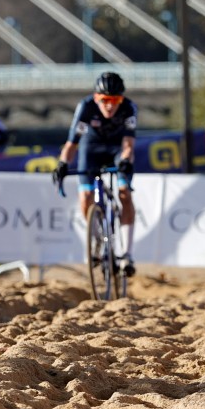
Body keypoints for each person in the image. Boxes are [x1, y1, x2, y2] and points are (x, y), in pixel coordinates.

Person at [53, 71, 137, 276]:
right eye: (105, 100)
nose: (110, 105)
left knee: (124, 191)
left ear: (121, 99)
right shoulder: (86, 107)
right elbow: (72, 143)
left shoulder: (128, 108)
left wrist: (125, 161)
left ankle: (126, 254)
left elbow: (128, 145)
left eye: (115, 100)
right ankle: (97, 237)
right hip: (91, 150)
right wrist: (63, 163)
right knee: (86, 197)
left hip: (117, 150)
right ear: (96, 98)